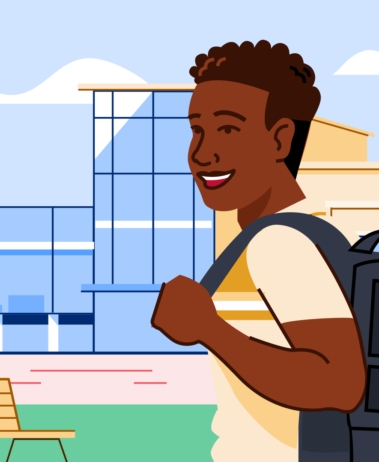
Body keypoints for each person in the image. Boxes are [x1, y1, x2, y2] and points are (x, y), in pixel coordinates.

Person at [151, 40, 367, 461]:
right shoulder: (321, 231)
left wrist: (208, 328)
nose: (203, 153)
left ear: (280, 139)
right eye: (197, 130)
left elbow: (340, 383)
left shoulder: (280, 243)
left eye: (228, 129)